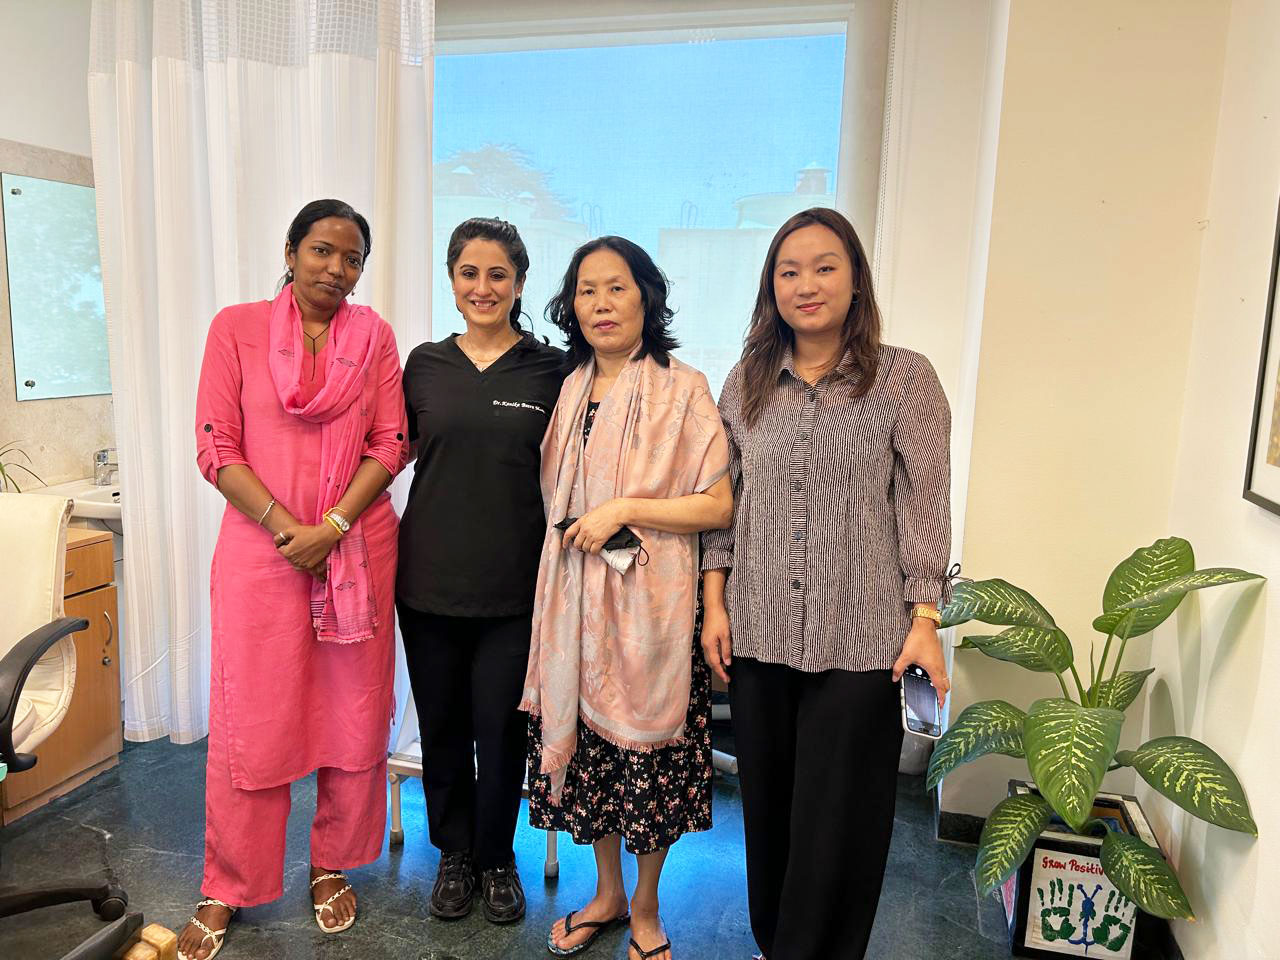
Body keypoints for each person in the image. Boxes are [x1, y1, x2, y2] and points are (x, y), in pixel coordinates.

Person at [700, 207, 952, 960]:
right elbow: (723, 503)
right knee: (770, 815)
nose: (806, 284)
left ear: (856, 280)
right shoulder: (746, 382)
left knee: (839, 823)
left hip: (862, 638)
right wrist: (714, 604)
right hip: (760, 633)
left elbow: (927, 503)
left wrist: (925, 619)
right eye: (789, 271)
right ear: (771, 287)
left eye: (824, 267)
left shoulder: (905, 378)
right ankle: (775, 944)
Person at [181, 199, 409, 960]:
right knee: (253, 717)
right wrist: (290, 530)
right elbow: (217, 444)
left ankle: (331, 862)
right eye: (321, 251)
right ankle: (229, 881)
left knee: (353, 711)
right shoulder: (236, 329)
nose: (336, 269)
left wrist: (332, 527)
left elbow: (391, 441)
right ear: (289, 251)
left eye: (351, 259)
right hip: (260, 553)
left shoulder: (373, 337)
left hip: (357, 547)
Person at [522, 236, 733, 960]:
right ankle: (607, 894)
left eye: (617, 288)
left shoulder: (685, 388)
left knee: (646, 767)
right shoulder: (570, 386)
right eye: (587, 290)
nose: (601, 304)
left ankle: (645, 907)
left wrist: (623, 509)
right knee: (594, 765)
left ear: (647, 296)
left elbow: (718, 505)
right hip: (574, 605)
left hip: (652, 612)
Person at [397, 218, 568, 924]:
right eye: (469, 273)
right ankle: (454, 853)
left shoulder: (552, 369)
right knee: (442, 728)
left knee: (500, 734)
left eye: (498, 274)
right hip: (428, 580)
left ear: (520, 284)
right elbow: (387, 450)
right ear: (452, 280)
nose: (483, 287)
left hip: (514, 589)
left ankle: (497, 857)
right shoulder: (424, 364)